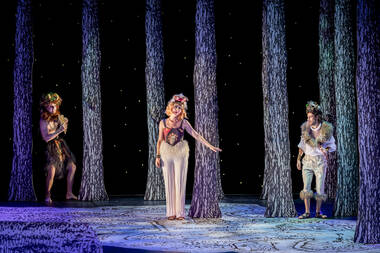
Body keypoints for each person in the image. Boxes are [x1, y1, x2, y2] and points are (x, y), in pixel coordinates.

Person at [155, 94, 222, 220]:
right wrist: (157, 156)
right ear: (171, 107)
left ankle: (180, 213)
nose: (177, 110)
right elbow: (159, 140)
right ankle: (171, 212)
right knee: (169, 182)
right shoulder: (163, 122)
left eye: (179, 108)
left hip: (180, 153)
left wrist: (210, 146)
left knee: (180, 181)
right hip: (166, 153)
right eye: (175, 107)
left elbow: (196, 135)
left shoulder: (184, 123)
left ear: (182, 110)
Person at [296, 101, 336, 219]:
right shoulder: (306, 129)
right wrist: (298, 159)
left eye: (310, 117)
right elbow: (302, 146)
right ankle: (307, 212)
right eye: (307, 117)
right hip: (307, 160)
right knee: (306, 188)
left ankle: (318, 212)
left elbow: (333, 146)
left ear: (316, 117)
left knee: (320, 188)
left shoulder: (325, 129)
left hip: (320, 161)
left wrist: (325, 149)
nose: (308, 119)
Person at [39, 93, 77, 203]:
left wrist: (64, 125)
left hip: (60, 145)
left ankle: (69, 193)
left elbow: (63, 130)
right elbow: (46, 138)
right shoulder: (43, 120)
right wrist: (58, 130)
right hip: (50, 147)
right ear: (45, 106)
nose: (52, 107)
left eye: (54, 105)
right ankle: (47, 194)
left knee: (72, 166)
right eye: (50, 105)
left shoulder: (57, 117)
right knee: (51, 170)